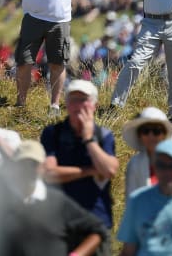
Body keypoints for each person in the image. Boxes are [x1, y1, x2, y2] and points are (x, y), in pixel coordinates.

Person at [2, 140, 108, 256]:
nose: (28, 169)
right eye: (23, 164)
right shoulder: (2, 203)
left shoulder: (58, 202)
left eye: (34, 164)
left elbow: (97, 230)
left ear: (43, 167)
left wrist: (76, 255)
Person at [40, 80, 119, 231]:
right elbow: (49, 173)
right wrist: (89, 171)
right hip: (60, 220)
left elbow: (109, 170)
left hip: (96, 220)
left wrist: (89, 139)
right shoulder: (53, 133)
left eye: (83, 100)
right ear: (67, 104)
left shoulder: (104, 135)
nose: (78, 106)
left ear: (94, 105)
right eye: (73, 100)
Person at [121, 106, 172, 200]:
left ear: (165, 134)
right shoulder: (135, 163)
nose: (151, 136)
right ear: (139, 135)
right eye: (145, 131)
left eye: (156, 131)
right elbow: (132, 203)